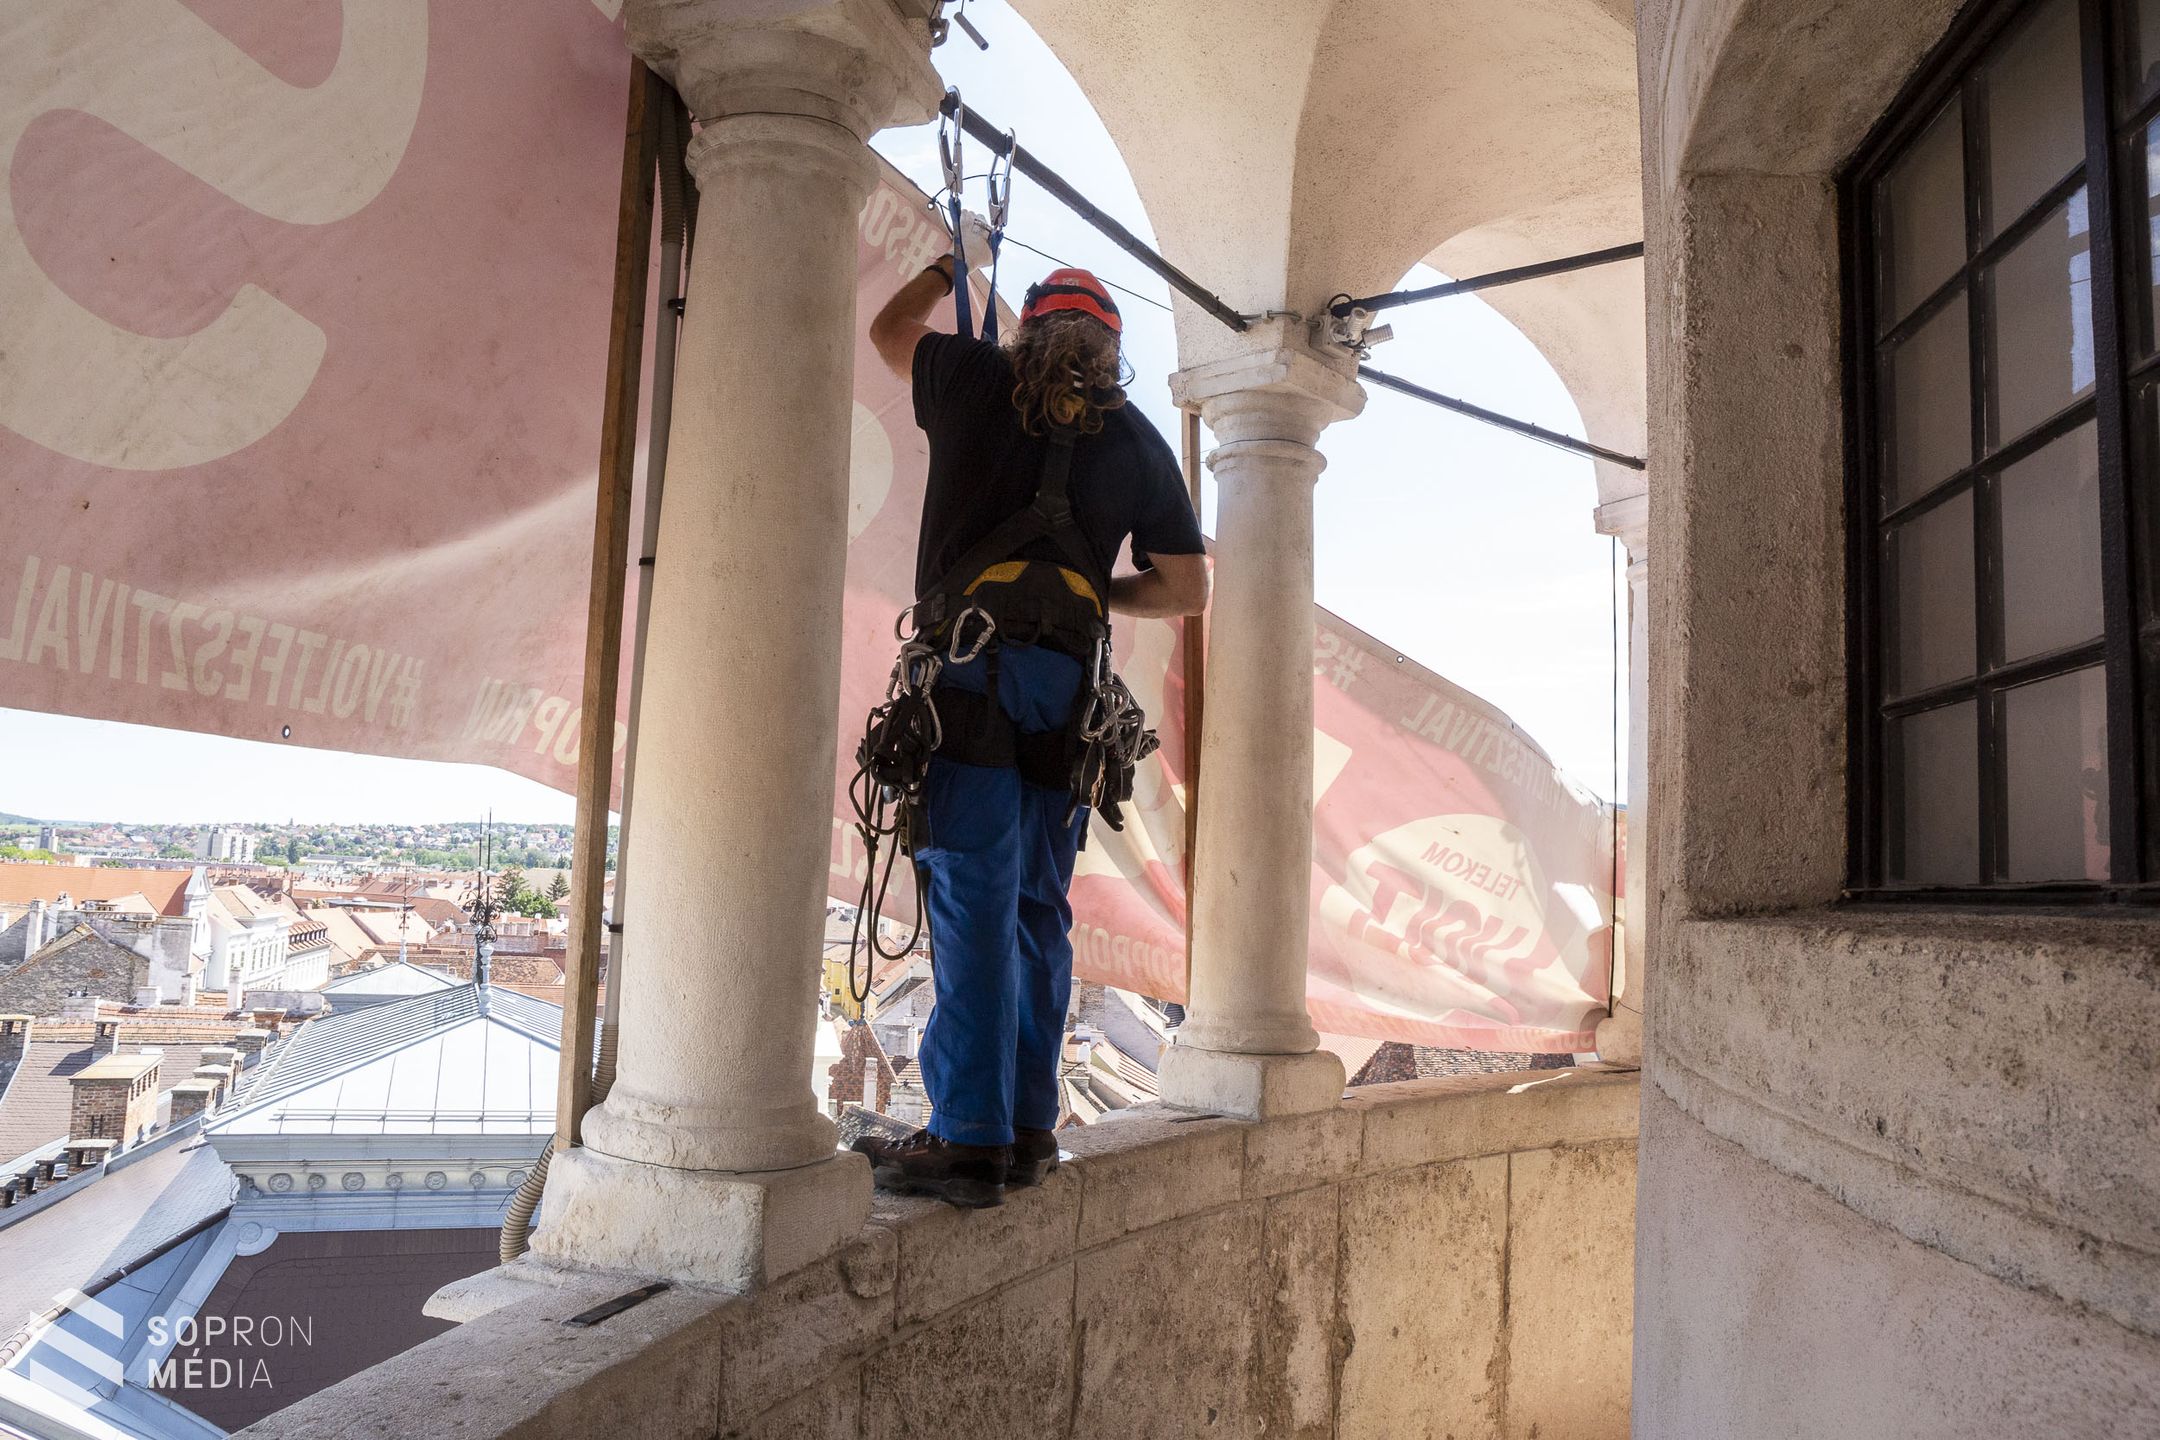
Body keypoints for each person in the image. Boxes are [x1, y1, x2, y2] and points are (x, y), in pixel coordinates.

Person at [852, 254, 1209, 1207]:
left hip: (969, 669)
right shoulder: (1133, 438)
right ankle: (1026, 1128)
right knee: (1039, 906)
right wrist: (1093, 594)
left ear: (1029, 330)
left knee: (972, 890)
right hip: (1064, 691)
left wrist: (943, 266)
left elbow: (887, 336)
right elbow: (1187, 588)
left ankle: (969, 1138)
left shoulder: (975, 378)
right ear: (1111, 349)